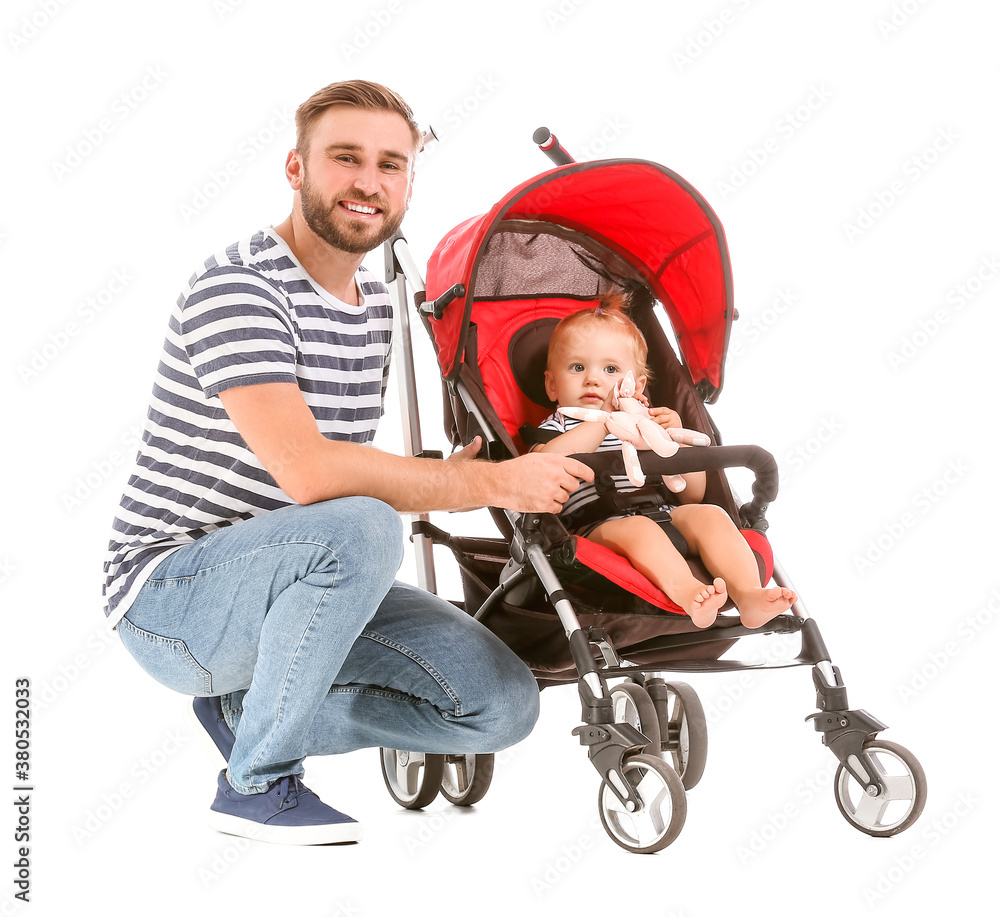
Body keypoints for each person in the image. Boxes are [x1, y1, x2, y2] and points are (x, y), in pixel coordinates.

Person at [101, 79, 593, 846]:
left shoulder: (369, 308)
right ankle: (255, 780)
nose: (370, 182)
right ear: (296, 170)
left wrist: (466, 469)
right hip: (173, 600)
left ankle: (246, 711)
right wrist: (482, 483)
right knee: (361, 526)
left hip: (295, 573)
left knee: (502, 706)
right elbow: (310, 475)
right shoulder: (242, 288)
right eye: (345, 158)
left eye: (391, 164)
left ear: (408, 182)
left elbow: (341, 468)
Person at [532, 299, 796, 629]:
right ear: (551, 384)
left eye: (610, 369)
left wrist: (675, 441)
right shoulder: (559, 426)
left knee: (711, 514)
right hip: (597, 525)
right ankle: (690, 593)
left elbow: (692, 494)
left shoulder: (651, 423)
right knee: (639, 529)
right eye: (577, 368)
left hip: (666, 511)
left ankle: (748, 594)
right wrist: (603, 423)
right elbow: (540, 465)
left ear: (637, 386)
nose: (593, 380)